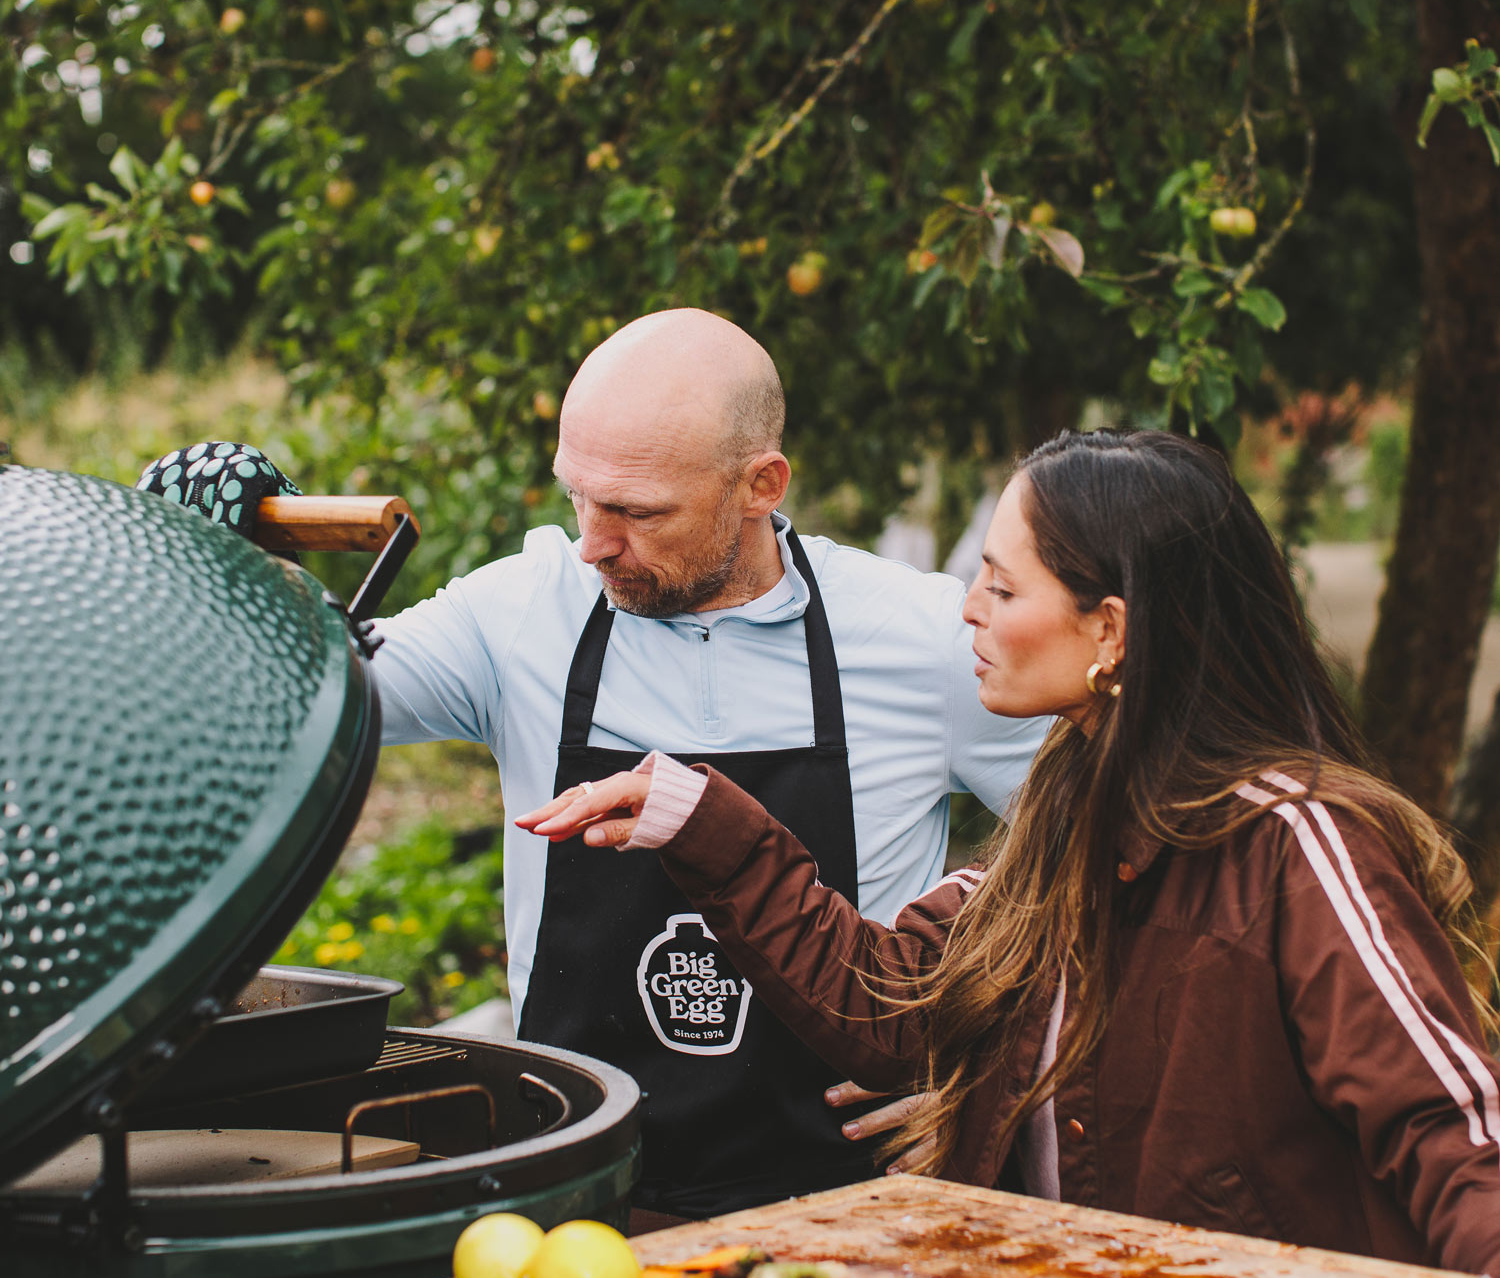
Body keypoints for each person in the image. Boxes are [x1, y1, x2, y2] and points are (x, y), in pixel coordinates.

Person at [521, 426, 1500, 1278]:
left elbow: (1455, 1119)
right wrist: (706, 823)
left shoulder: (1298, 843)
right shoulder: (1067, 819)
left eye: (1001, 584)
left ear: (1112, 630)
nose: (968, 615)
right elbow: (887, 1003)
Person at [138, 309, 1044, 1218]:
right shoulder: (518, 614)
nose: (592, 543)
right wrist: (213, 573)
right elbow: (295, 698)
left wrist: (991, 1063)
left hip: (852, 1208)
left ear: (761, 484)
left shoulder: (921, 640)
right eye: (579, 496)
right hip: (575, 1195)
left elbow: (1111, 860)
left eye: (637, 512)